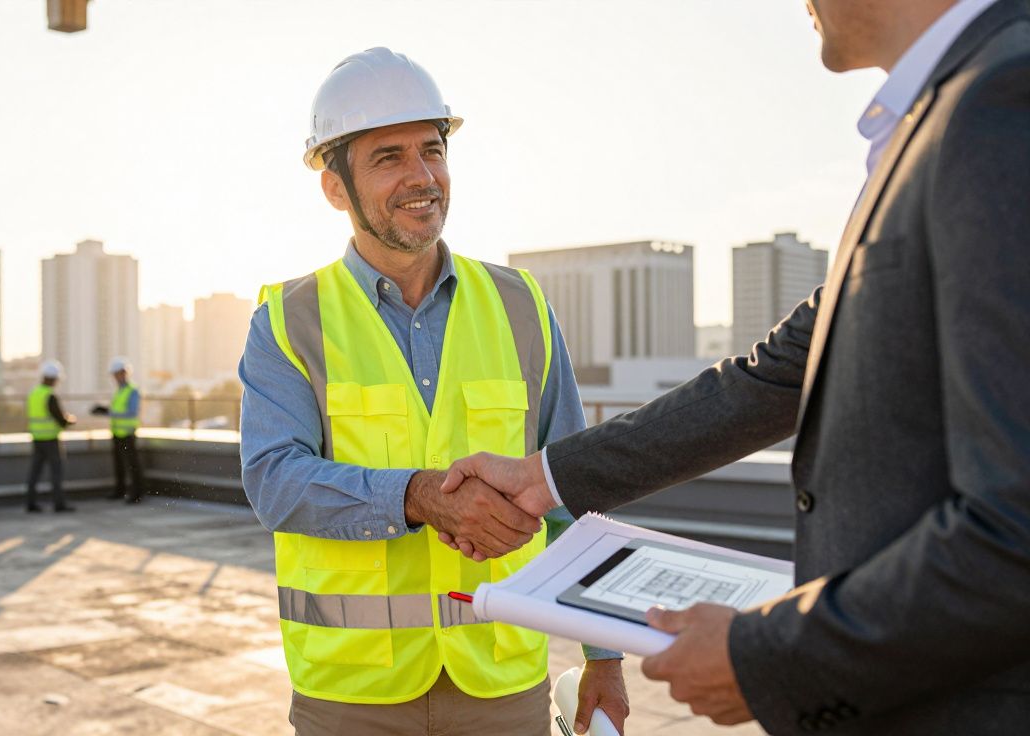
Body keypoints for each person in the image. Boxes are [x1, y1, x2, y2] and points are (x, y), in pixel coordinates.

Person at [438, 1, 1030, 733]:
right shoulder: (939, 117)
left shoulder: (1001, 103)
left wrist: (768, 655)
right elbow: (776, 373)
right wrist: (542, 477)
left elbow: (1018, 523)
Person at [238, 47, 628, 736]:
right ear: (335, 187)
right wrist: (416, 497)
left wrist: (604, 655)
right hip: (352, 695)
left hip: (501, 682)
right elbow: (275, 481)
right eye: (388, 158)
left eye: (432, 150)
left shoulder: (521, 305)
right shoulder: (289, 320)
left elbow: (576, 484)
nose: (421, 177)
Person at [90, 357, 145, 504]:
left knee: (132, 465)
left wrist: (109, 413)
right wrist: (105, 410)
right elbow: (117, 409)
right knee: (119, 464)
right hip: (117, 433)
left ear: (124, 373)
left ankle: (137, 494)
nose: (115, 377)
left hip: (127, 434)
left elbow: (132, 412)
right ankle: (120, 491)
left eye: (117, 374)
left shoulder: (132, 390)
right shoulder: (119, 391)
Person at [25, 359, 76, 513]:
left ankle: (30, 503)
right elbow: (61, 420)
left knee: (34, 472)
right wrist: (71, 419)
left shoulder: (33, 394)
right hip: (51, 440)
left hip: (37, 438)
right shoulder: (50, 396)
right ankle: (59, 504)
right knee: (56, 473)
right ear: (54, 378)